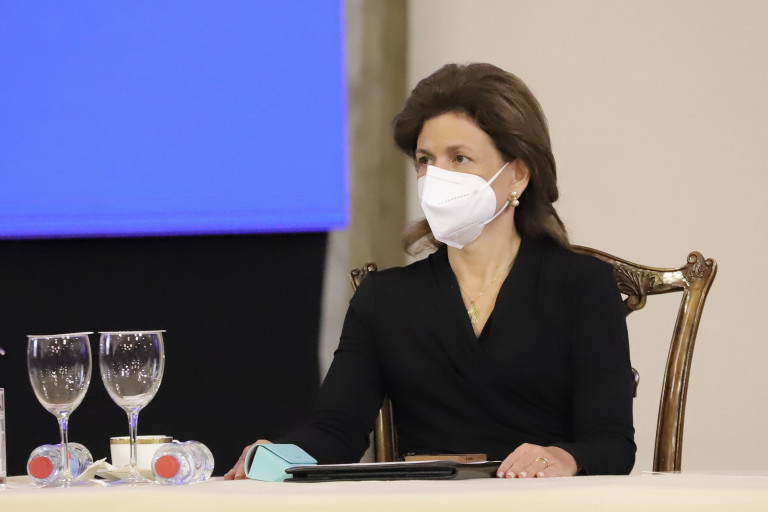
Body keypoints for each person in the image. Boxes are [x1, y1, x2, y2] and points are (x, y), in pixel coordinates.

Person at [225, 62, 635, 479]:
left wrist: (564, 458)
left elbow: (612, 443)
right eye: (425, 160)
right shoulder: (384, 298)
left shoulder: (582, 285)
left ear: (518, 174)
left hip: (543, 501)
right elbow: (336, 431)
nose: (437, 177)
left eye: (459, 158)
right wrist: (279, 454)